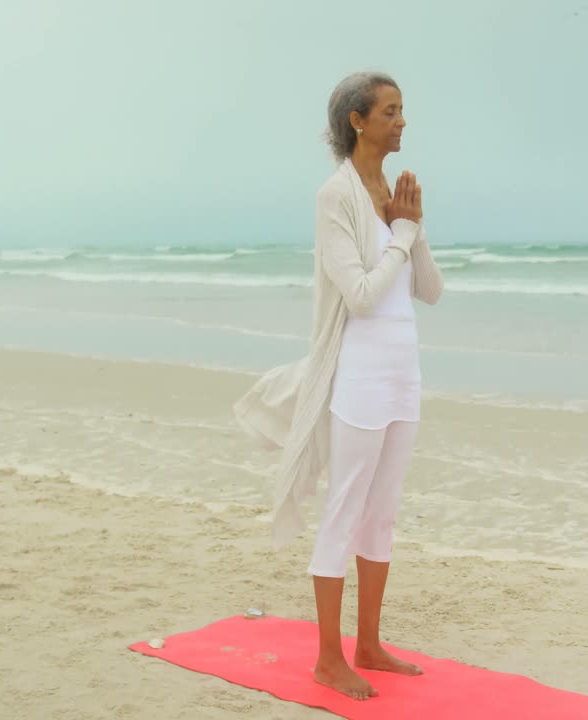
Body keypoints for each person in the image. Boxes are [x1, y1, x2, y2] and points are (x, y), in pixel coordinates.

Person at [233, 71, 444, 701]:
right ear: (357, 120)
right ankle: (329, 659)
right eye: (390, 111)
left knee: (382, 515)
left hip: (404, 374)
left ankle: (370, 645)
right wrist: (400, 235)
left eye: (403, 109)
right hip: (359, 376)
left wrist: (414, 224)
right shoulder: (336, 196)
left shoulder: (390, 191)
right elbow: (358, 295)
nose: (402, 121)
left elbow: (428, 289)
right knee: (345, 511)